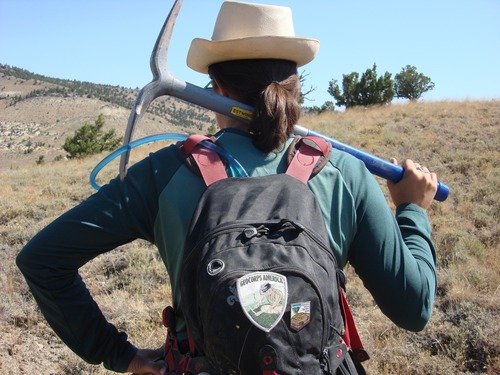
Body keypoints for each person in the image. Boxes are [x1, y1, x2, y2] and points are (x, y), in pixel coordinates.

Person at [16, 1, 439, 374]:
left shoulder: (164, 174)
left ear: (215, 89)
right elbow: (414, 308)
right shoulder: (345, 173)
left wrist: (119, 354)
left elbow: (42, 260)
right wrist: (413, 209)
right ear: (295, 84)